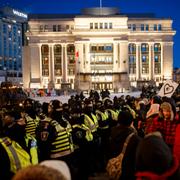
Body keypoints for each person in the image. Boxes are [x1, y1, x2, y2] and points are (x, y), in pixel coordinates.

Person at [0, 109, 38, 180]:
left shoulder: (31, 139)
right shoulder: (3, 144)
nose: (24, 123)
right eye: (20, 121)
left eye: (24, 120)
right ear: (12, 124)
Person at [107, 110, 141, 180]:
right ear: (131, 122)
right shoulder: (133, 136)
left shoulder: (112, 131)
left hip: (115, 165)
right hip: (128, 168)